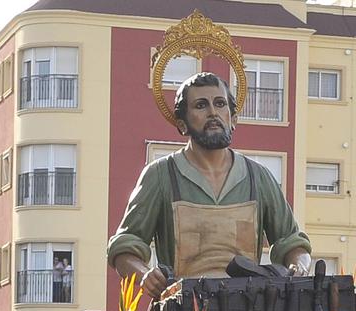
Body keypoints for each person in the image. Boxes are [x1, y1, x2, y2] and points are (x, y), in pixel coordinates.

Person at [108, 72, 312, 293]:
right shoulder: (160, 175)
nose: (213, 112)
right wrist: (144, 275)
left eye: (220, 103)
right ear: (182, 123)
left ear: (233, 119)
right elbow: (125, 245)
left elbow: (291, 241)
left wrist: (299, 265)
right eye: (201, 105)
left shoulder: (258, 177)